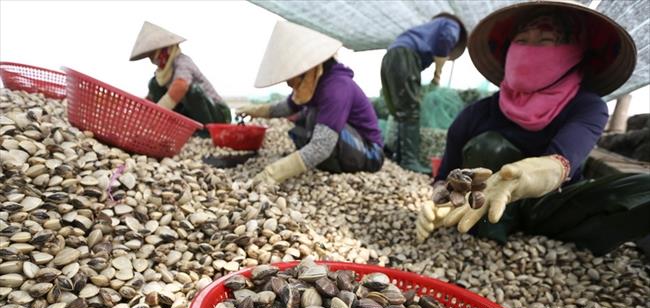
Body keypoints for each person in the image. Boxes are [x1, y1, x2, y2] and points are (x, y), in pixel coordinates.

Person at [416, 0, 650, 256]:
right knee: (490, 146)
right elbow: (446, 178)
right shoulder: (476, 113)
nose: (530, 49)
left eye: (546, 40)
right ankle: (488, 239)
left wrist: (530, 174)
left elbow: (563, 160)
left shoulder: (587, 107)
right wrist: (437, 202)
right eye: (522, 40)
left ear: (576, 52)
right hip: (481, 213)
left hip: (549, 208)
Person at [237, 21, 384, 185]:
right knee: (306, 118)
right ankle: (322, 165)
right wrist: (253, 110)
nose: (290, 84)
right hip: (347, 147)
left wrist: (273, 174)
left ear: (308, 70)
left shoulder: (337, 87)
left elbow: (321, 146)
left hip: (371, 154)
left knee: (313, 116)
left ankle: (325, 165)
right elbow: (287, 107)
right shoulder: (316, 83)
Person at [381, 13, 467, 173]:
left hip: (390, 57)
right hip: (403, 56)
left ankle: (399, 157)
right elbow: (447, 37)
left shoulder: (425, 32)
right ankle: (409, 161)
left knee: (401, 109)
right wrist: (438, 71)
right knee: (411, 110)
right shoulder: (450, 24)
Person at [129, 21, 231, 130]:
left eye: (154, 55)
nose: (154, 60)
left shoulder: (182, 62)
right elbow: (152, 97)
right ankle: (172, 128)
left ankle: (206, 131)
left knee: (192, 90)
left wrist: (157, 113)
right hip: (193, 112)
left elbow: (181, 86)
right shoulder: (164, 74)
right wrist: (140, 116)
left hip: (217, 114)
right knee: (154, 83)